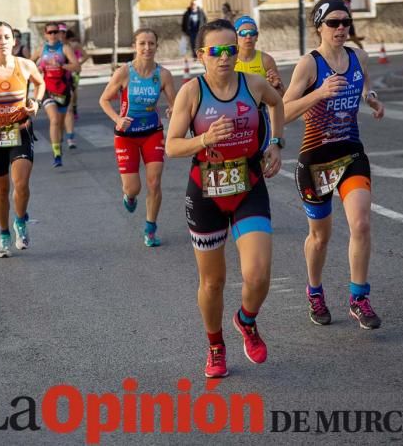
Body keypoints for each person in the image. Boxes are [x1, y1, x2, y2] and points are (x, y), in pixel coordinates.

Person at [166, 19, 284, 378]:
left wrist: (275, 144)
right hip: (206, 191)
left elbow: (278, 105)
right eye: (215, 51)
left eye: (231, 49)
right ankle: (215, 345)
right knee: (213, 282)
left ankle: (246, 321)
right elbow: (171, 146)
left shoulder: (254, 84)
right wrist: (204, 139)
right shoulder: (192, 92)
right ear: (201, 55)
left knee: (258, 273)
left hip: (248, 183)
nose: (224, 57)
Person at [283, 0, 384, 330]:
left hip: (351, 152)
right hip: (315, 159)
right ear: (319, 26)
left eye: (346, 22)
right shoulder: (309, 65)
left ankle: (359, 297)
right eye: (333, 22)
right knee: (320, 237)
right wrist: (319, 93)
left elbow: (364, 80)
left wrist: (370, 98)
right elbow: (283, 111)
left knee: (362, 224)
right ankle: (315, 291)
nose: (341, 28)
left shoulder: (358, 56)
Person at [0, 21, 45, 258]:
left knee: (21, 184)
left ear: (14, 40)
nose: (2, 42)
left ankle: (20, 222)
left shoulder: (25, 65)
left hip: (20, 128)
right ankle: (4, 235)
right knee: (1, 191)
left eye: (6, 37)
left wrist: (35, 103)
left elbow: (40, 84)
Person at [99, 29, 176, 247]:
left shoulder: (163, 75)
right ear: (135, 46)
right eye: (142, 43)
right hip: (126, 136)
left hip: (152, 133)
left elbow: (176, 104)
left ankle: (150, 228)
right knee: (133, 188)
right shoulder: (124, 73)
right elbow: (104, 100)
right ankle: (130, 196)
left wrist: (173, 110)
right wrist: (117, 119)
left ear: (156, 46)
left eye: (151, 43)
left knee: (154, 182)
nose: (147, 48)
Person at [32, 22, 79, 167]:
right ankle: (57, 154)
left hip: (63, 89)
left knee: (60, 124)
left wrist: (62, 66)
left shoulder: (64, 48)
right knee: (54, 120)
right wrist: (38, 68)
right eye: (50, 32)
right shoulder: (41, 49)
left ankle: (60, 141)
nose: (53, 35)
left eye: (55, 32)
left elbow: (77, 66)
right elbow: (29, 64)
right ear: (45, 34)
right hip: (47, 90)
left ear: (59, 33)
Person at [235, 15, 285, 151]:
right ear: (236, 36)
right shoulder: (228, 60)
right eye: (243, 33)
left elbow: (280, 97)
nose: (248, 37)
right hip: (232, 117)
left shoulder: (266, 60)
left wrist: (276, 86)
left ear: (257, 36)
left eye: (252, 33)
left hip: (258, 117)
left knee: (258, 162)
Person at [58, 25, 88, 149]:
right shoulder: (48, 49)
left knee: (72, 96)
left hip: (71, 75)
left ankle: (70, 137)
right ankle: (58, 134)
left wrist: (77, 64)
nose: (59, 34)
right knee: (58, 114)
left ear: (66, 33)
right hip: (54, 82)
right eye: (56, 32)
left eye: (62, 32)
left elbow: (85, 56)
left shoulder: (72, 46)